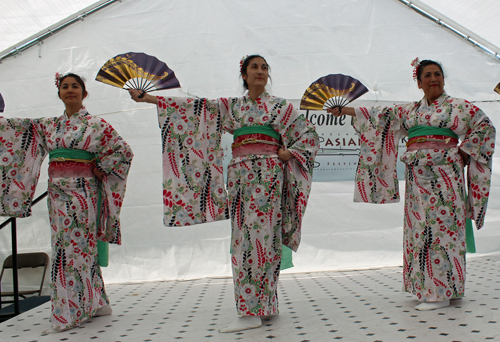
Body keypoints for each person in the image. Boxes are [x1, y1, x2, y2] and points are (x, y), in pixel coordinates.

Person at [129, 55, 319, 332]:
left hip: (269, 176)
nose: (260, 72)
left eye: (264, 68)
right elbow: (195, 108)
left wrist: (288, 151)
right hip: (241, 176)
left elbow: (309, 135)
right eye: (254, 67)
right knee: (245, 239)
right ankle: (259, 307)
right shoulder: (232, 106)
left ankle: (259, 308)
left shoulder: (281, 107)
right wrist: (149, 100)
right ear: (244, 74)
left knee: (265, 238)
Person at [328, 59, 495, 311]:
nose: (433, 78)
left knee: (444, 229)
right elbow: (378, 116)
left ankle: (441, 292)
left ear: (443, 79)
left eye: (437, 74)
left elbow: (485, 127)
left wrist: (464, 153)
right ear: (418, 83)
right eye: (427, 75)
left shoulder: (459, 107)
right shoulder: (410, 111)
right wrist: (346, 111)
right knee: (420, 230)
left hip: (446, 176)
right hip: (417, 177)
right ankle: (433, 287)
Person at [0, 73, 133, 333]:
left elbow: (123, 151)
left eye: (75, 87)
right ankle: (96, 302)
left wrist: (101, 166)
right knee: (68, 247)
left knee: (73, 250)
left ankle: (67, 313)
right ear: (59, 92)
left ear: (85, 93)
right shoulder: (48, 125)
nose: (69, 90)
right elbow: (16, 129)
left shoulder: (96, 125)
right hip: (58, 194)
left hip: (84, 193)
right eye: (65, 86)